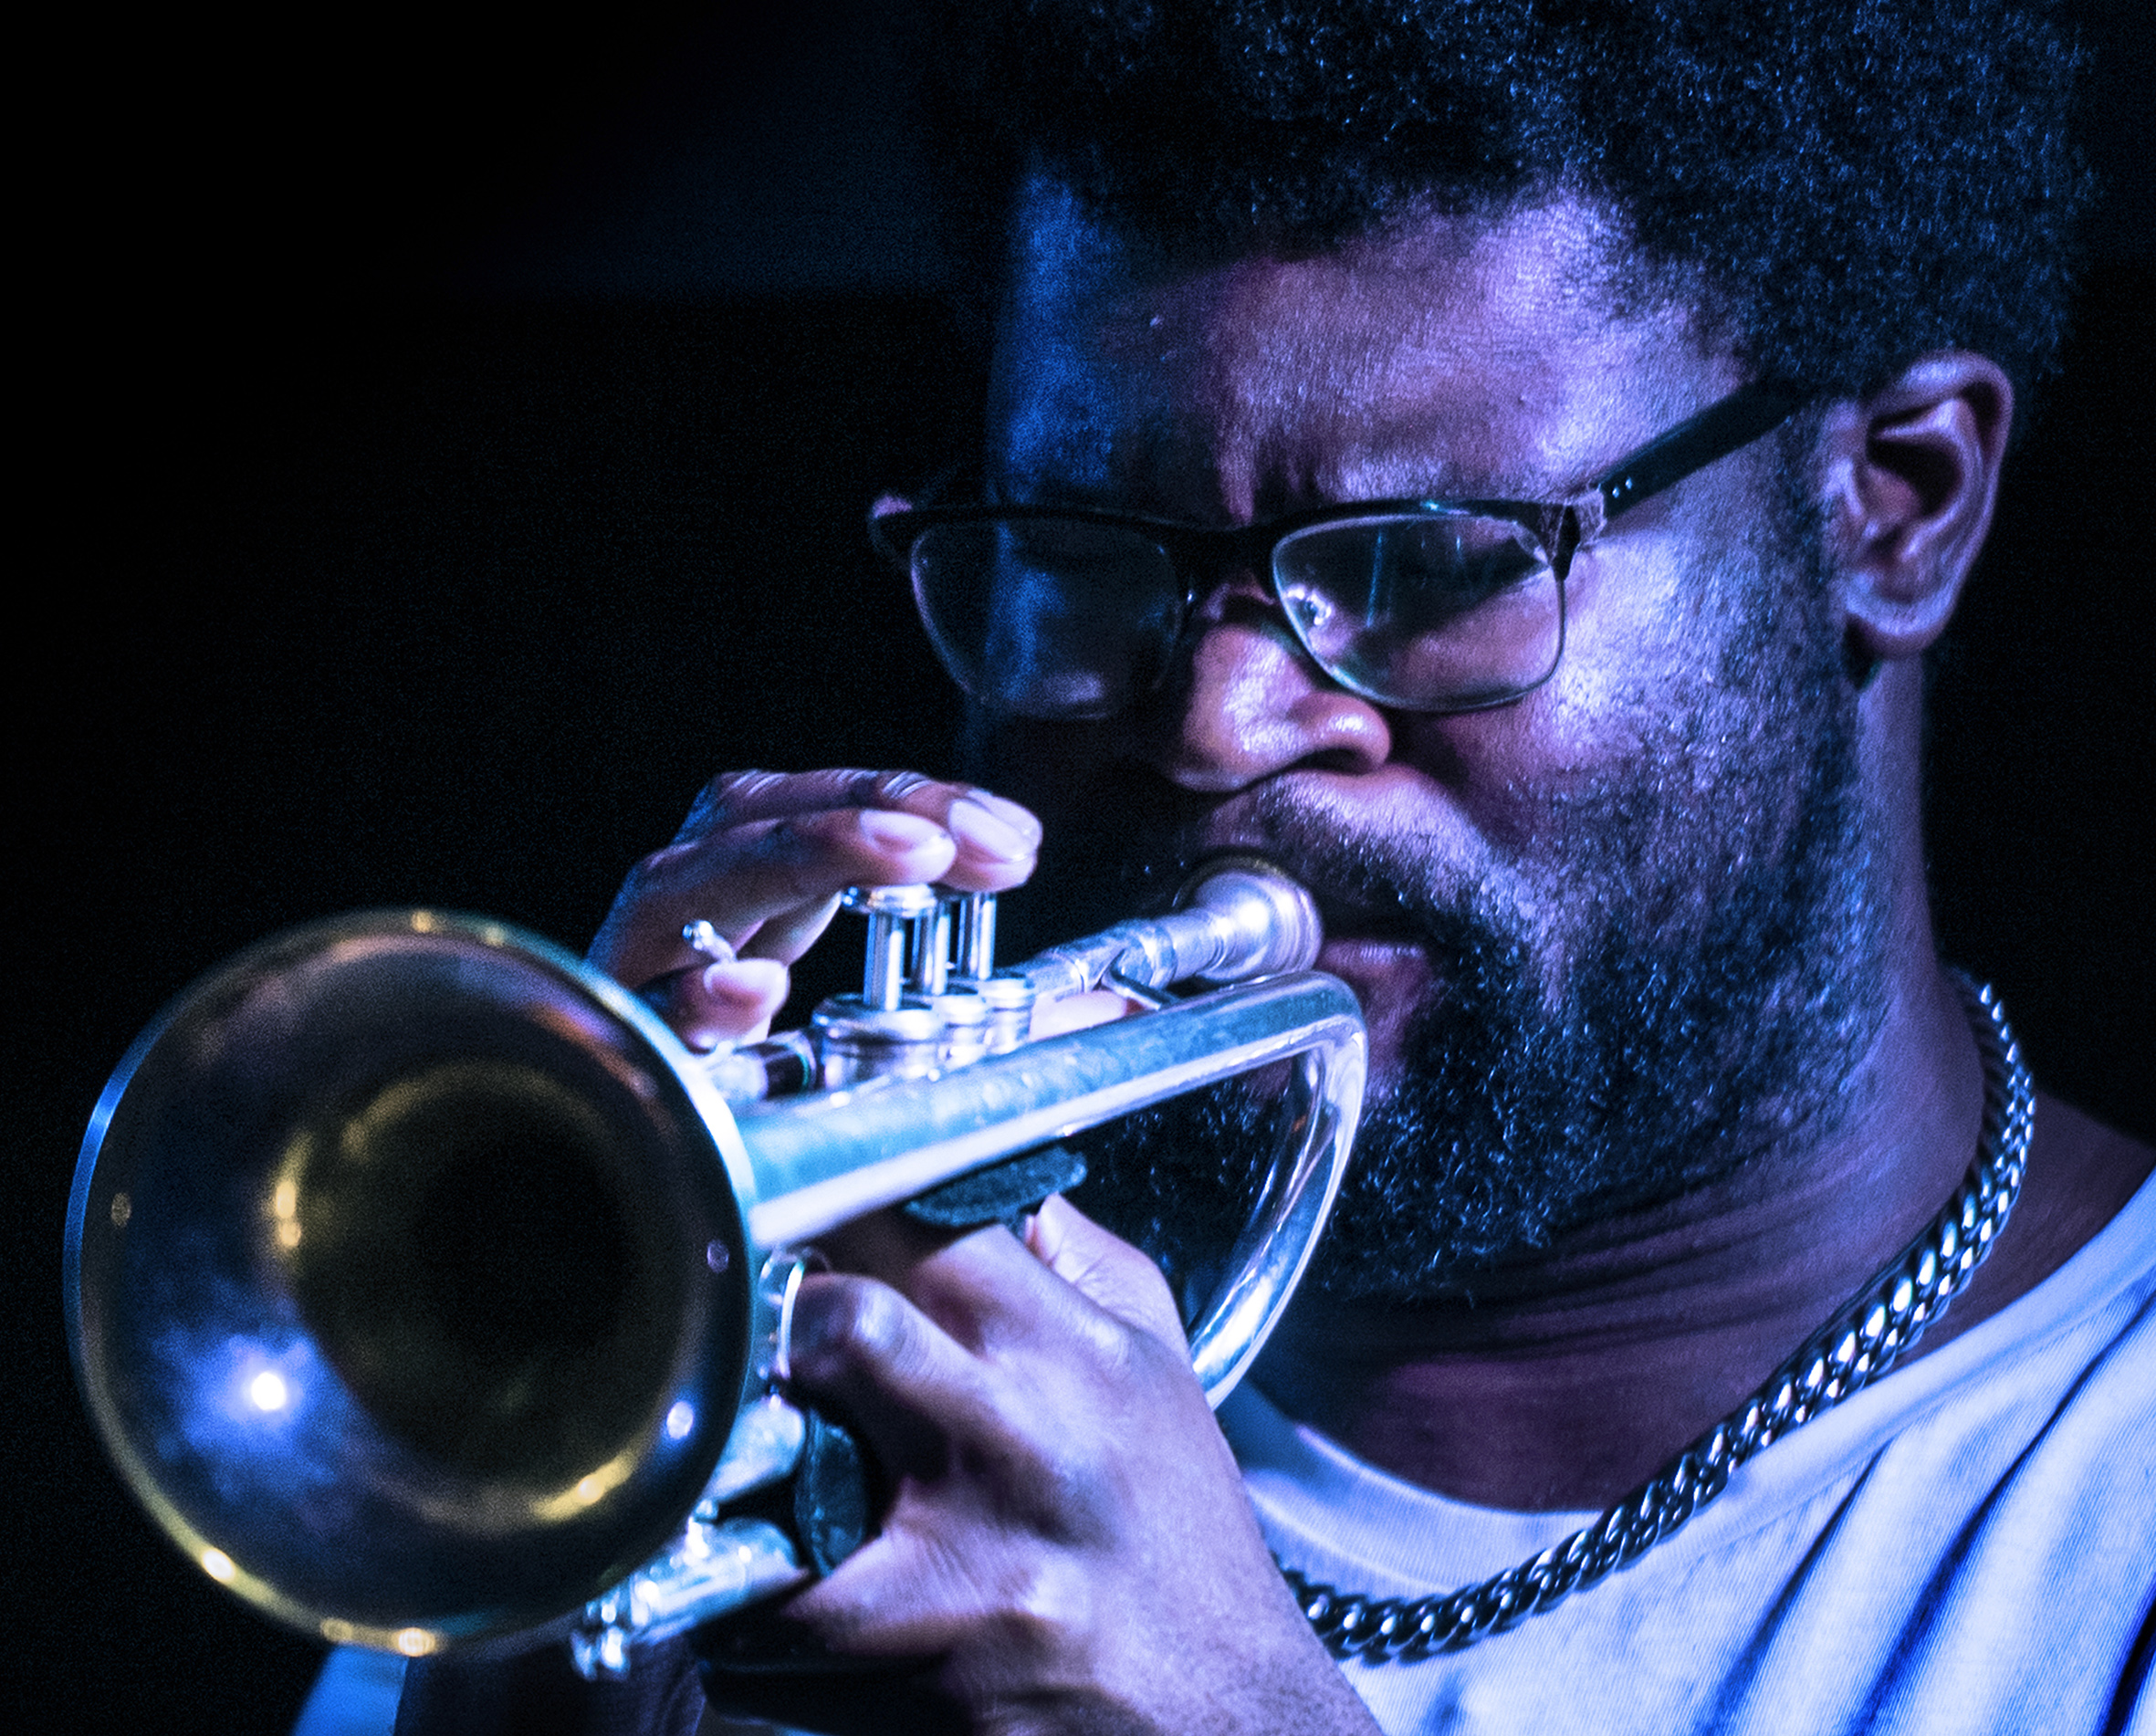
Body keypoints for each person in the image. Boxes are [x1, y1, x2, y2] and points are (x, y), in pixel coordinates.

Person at [397, 1, 2153, 1731]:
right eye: (1085, 551)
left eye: (1431, 562)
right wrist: (543, 1505)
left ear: (1893, 508)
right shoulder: (762, 1428)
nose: (1212, 728)